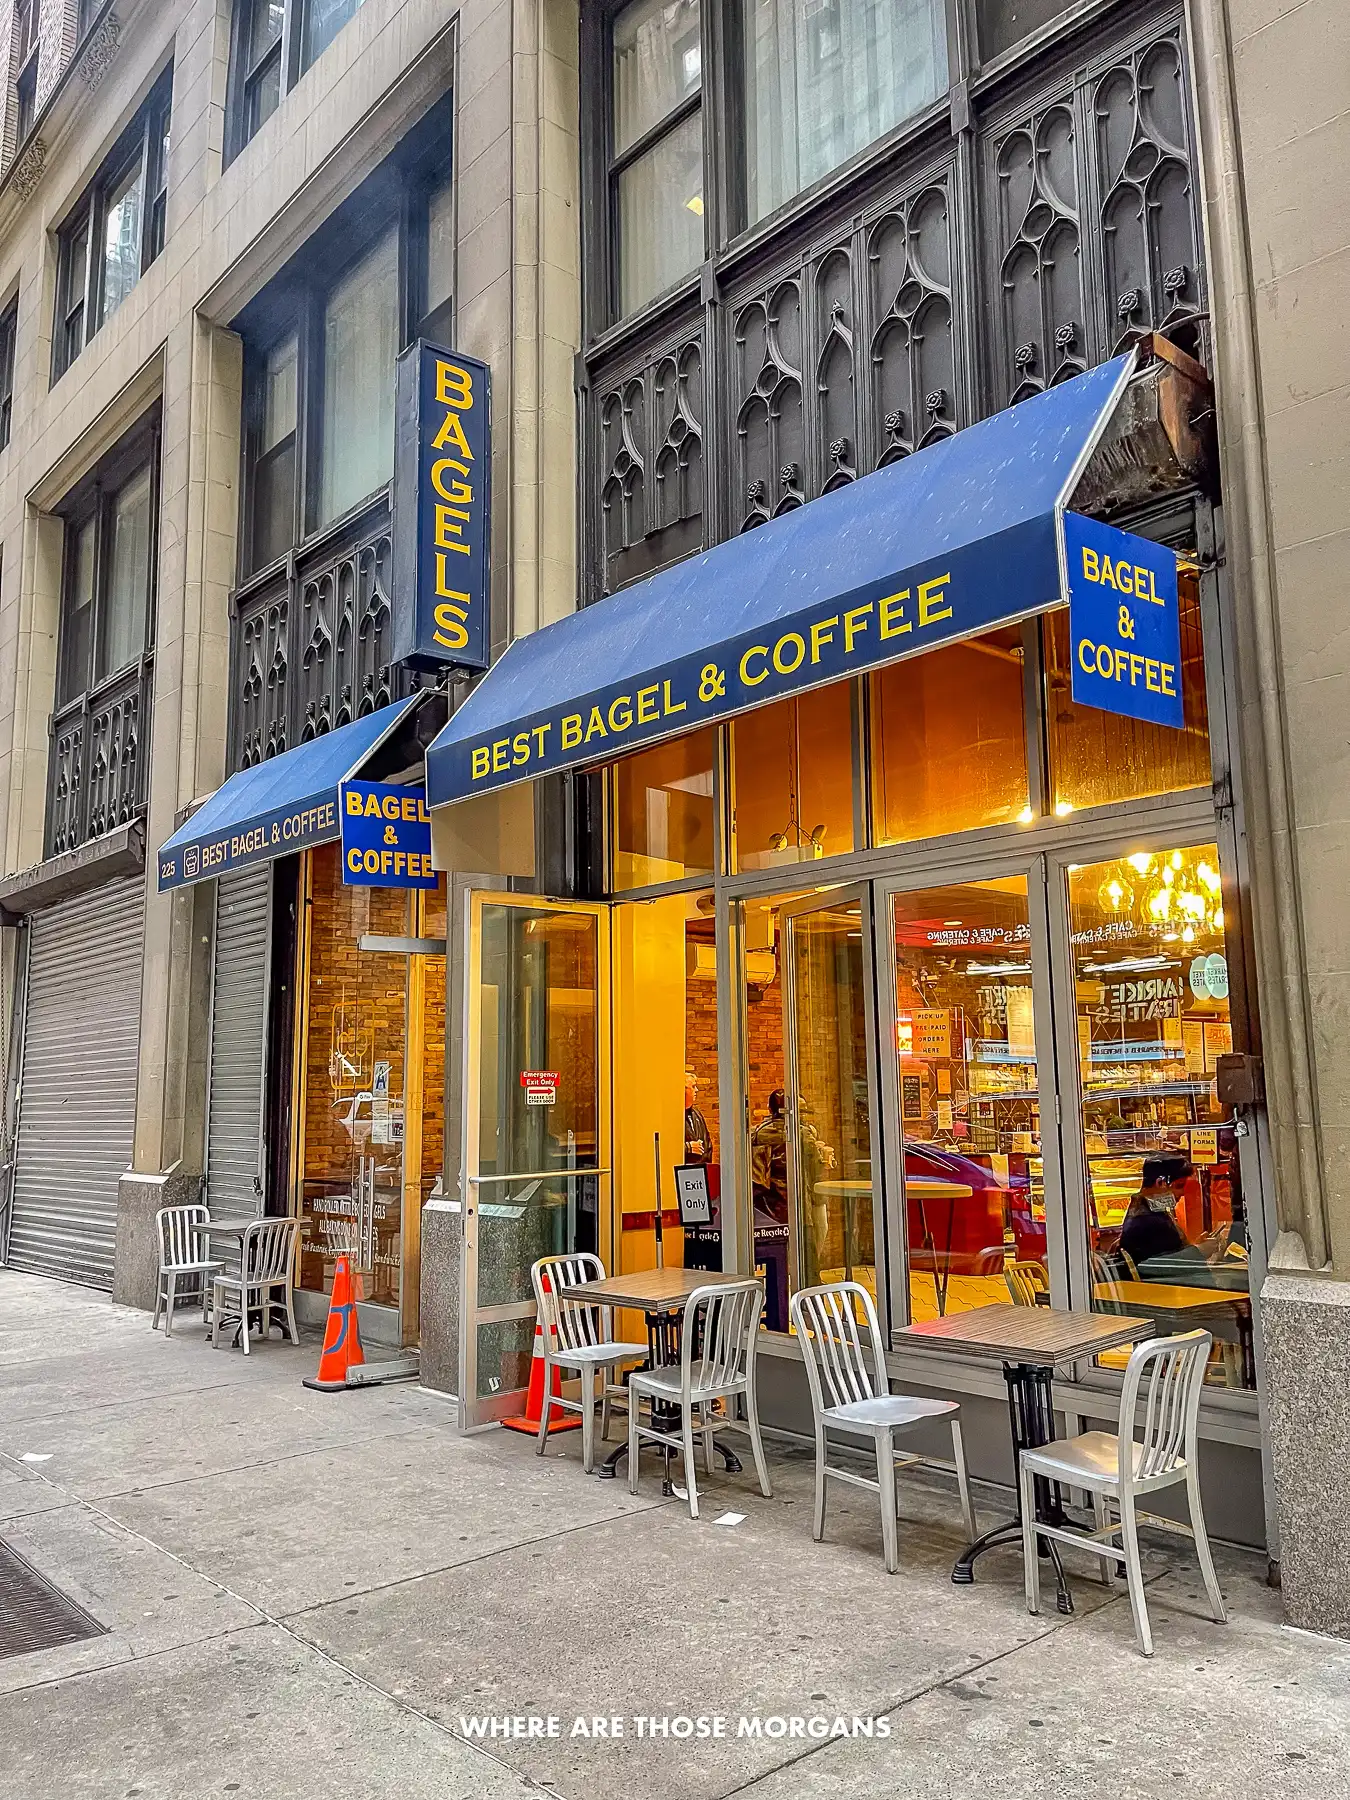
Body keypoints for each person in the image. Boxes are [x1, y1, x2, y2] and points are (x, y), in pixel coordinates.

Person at [1119, 1155, 1208, 1273]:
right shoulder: (1149, 1222)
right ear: (1160, 1182)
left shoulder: (1148, 1211)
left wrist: (1194, 1245)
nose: (1182, 1193)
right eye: (1179, 1186)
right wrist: (1200, 1250)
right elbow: (1169, 1267)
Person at [684, 1068, 712, 1165]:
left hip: (700, 1172)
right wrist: (687, 1148)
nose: (696, 1090)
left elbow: (708, 1145)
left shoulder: (697, 1114)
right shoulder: (673, 1116)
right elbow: (666, 1148)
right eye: (693, 1086)